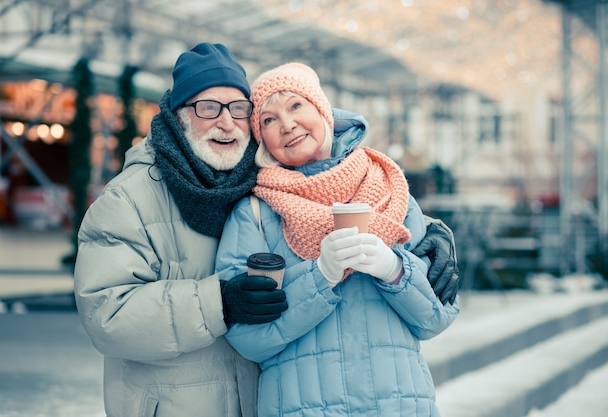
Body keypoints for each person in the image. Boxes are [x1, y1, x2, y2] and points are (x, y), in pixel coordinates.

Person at [215, 62, 460, 417]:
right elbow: (249, 339)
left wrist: (394, 270)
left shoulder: (391, 191)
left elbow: (436, 318)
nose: (287, 125)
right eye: (268, 119)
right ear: (262, 138)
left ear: (323, 111)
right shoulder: (255, 214)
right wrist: (321, 277)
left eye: (297, 105)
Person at [73, 43, 289, 417]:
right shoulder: (129, 198)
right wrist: (218, 302)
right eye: (208, 107)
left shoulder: (266, 187)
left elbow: (323, 153)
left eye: (238, 108)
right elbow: (107, 315)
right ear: (177, 116)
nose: (226, 122)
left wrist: (419, 238)